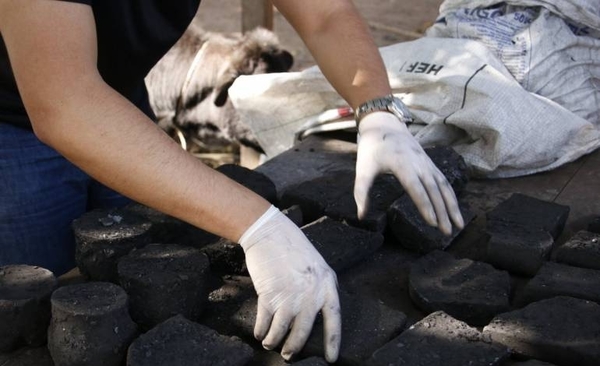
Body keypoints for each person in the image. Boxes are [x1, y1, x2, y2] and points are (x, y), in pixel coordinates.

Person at [0, 0, 464, 362]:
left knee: (139, 271)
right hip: (15, 115)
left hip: (112, 92)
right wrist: (257, 224)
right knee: (39, 312)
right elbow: (65, 102)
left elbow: (323, 14)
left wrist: (377, 110)